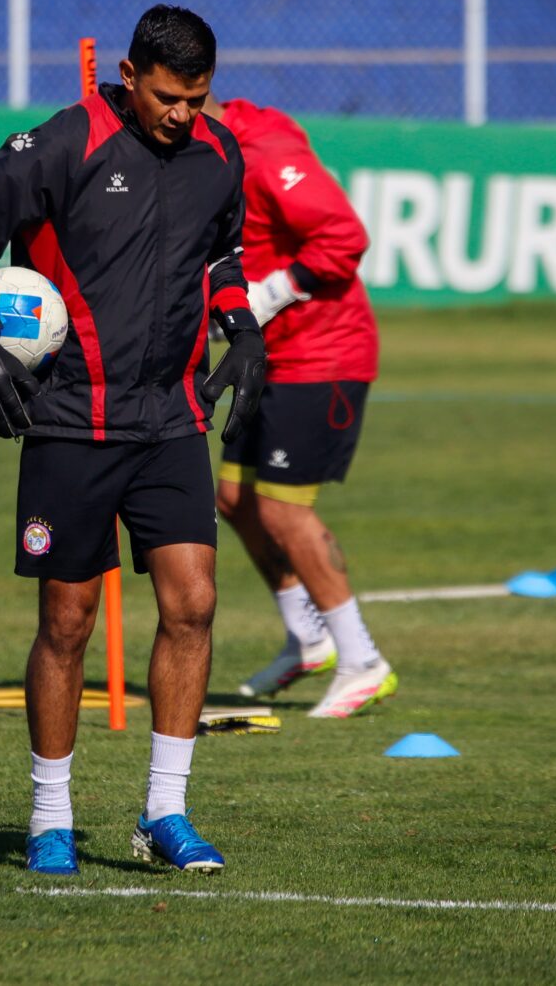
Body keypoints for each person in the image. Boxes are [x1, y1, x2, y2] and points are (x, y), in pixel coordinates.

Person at [0, 6, 266, 875]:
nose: (182, 114)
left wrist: (242, 327)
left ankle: (166, 813)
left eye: (197, 99)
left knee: (193, 604)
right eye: (167, 97)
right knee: (67, 621)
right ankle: (50, 820)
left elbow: (221, 256)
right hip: (72, 419)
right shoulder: (64, 143)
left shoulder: (220, 155)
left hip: (172, 418)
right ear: (128, 74)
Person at [203, 93, 398, 719]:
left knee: (285, 511)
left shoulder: (265, 151)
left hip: (324, 355)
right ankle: (308, 638)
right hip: (268, 354)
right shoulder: (204, 152)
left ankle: (363, 661)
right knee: (235, 499)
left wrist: (268, 295)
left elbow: (345, 236)